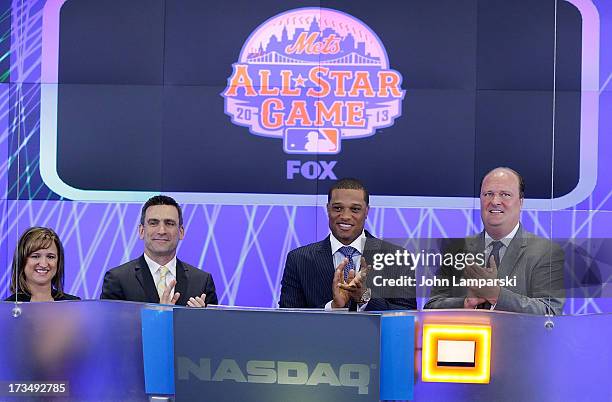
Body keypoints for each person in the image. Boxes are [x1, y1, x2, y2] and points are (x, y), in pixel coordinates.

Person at [425, 167, 565, 315]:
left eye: (505, 194)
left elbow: (550, 312)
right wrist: (465, 303)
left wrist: (496, 295)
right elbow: (431, 307)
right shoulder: (456, 248)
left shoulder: (545, 251)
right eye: (488, 194)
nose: (495, 201)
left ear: (521, 202)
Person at [279, 178, 416, 311]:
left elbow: (406, 315)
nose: (345, 216)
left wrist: (365, 298)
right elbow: (288, 320)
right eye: (338, 208)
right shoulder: (299, 259)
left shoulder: (397, 258)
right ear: (328, 209)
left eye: (355, 209)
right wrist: (333, 307)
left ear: (367, 211)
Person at [100, 195, 217, 307]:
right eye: (153, 223)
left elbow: (216, 327)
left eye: (169, 223)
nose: (161, 230)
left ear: (181, 232)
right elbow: (111, 326)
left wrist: (201, 319)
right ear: (141, 231)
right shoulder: (118, 279)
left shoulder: (202, 281)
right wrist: (158, 316)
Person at [4, 227, 80, 302]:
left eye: (50, 257)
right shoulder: (7, 309)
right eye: (35, 256)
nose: (43, 264)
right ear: (21, 261)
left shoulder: (74, 304)